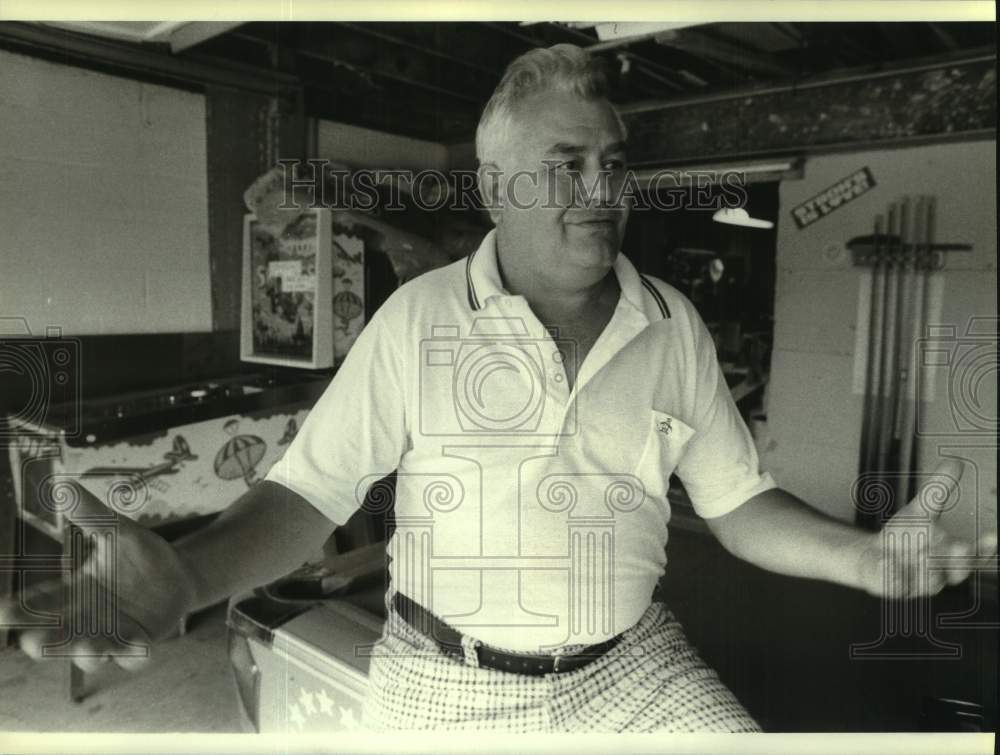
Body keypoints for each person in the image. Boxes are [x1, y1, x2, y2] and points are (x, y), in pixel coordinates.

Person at [1, 43, 994, 733]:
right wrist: (188, 575)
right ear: (496, 187)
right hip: (446, 686)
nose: (603, 191)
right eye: (566, 166)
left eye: (613, 163)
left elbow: (735, 504)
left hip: (632, 668)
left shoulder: (671, 323)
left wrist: (861, 560)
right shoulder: (419, 321)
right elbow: (309, 493)